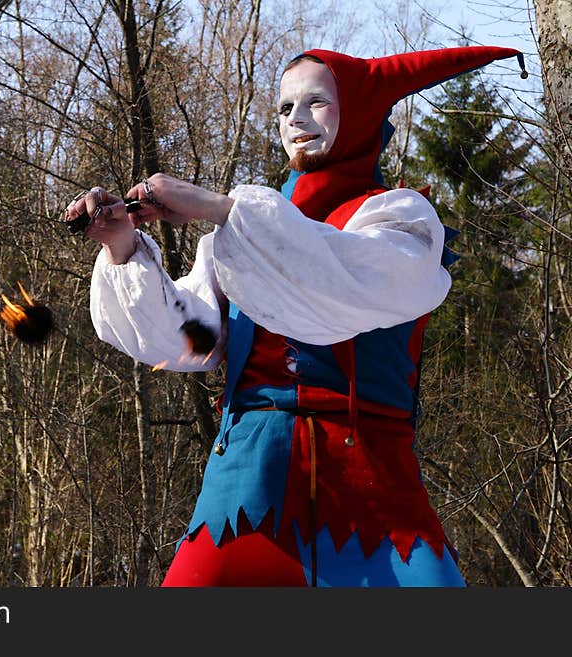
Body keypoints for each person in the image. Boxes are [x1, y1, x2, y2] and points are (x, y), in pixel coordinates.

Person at [65, 45, 526, 587]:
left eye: (317, 103)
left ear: (358, 113)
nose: (296, 120)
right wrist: (122, 244)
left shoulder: (401, 219)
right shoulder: (238, 235)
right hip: (246, 477)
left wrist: (220, 209)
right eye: (285, 108)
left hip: (372, 480)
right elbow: (192, 341)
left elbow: (337, 283)